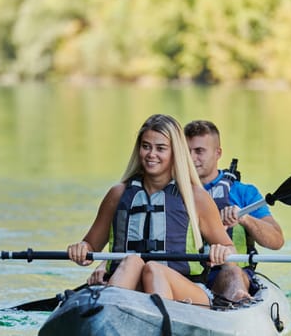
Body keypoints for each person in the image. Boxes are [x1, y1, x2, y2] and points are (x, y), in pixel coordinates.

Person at [67, 114, 236, 306]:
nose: (151, 154)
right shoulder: (118, 194)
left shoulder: (196, 197)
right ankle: (110, 311)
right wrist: (82, 249)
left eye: (161, 148)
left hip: (186, 291)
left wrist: (221, 251)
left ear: (176, 152)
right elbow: (91, 246)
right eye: (146, 146)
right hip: (131, 287)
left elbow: (230, 249)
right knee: (132, 261)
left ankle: (158, 321)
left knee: (154, 269)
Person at [184, 120, 284, 303]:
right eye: (187, 151)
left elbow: (277, 240)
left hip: (228, 274)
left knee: (232, 271)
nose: (191, 158)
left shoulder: (244, 192)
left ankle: (240, 300)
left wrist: (245, 218)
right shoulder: (170, 191)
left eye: (199, 151)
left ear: (218, 153)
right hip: (183, 277)